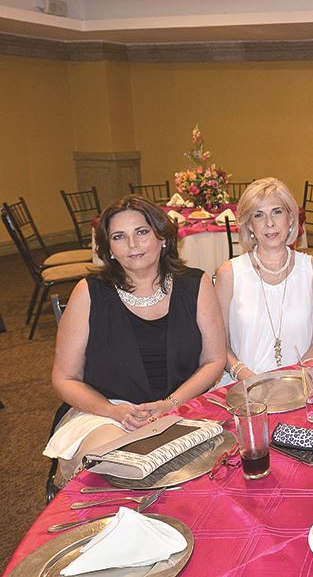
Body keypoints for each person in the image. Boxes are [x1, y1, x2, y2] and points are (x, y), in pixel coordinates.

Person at [46, 195, 226, 485]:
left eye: (141, 232)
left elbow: (214, 359)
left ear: (162, 237)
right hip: (105, 412)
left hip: (182, 405)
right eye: (119, 237)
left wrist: (170, 403)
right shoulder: (88, 293)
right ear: (110, 250)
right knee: (118, 469)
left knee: (216, 471)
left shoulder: (196, 284)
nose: (132, 244)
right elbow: (65, 378)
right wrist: (113, 410)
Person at [214, 178, 313, 385]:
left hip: (300, 384)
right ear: (249, 224)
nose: (269, 223)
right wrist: (251, 380)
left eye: (277, 212)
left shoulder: (312, 268)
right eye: (259, 215)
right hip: (244, 388)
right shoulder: (229, 273)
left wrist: (294, 378)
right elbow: (219, 346)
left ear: (291, 218)